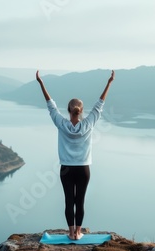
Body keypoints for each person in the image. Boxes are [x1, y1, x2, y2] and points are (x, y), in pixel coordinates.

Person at [36, 70, 115, 240]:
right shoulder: (88, 124)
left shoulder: (61, 124)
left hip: (66, 168)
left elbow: (51, 106)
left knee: (68, 201)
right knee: (80, 201)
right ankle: (79, 233)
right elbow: (100, 104)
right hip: (83, 168)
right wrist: (109, 83)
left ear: (69, 110)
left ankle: (70, 233)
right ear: (81, 110)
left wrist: (41, 83)